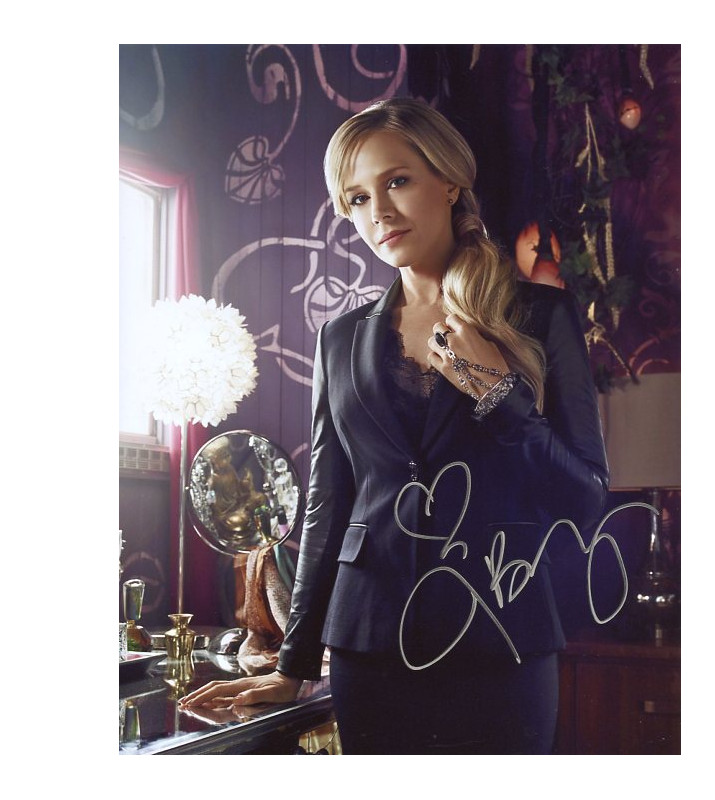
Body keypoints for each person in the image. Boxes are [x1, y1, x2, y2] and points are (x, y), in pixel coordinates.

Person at [180, 97, 609, 754]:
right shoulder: (339, 340)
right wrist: (295, 664)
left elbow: (583, 497)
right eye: (356, 198)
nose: (377, 212)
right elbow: (329, 506)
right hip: (369, 647)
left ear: (450, 181)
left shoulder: (540, 317)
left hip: (502, 637)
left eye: (397, 181)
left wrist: (500, 395)